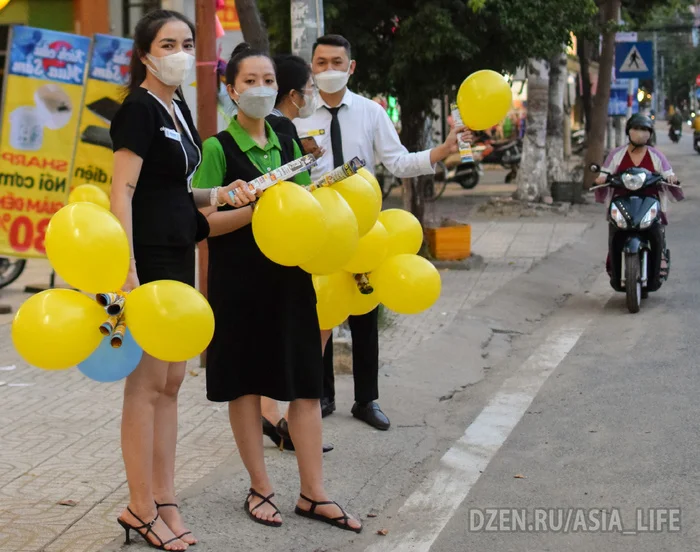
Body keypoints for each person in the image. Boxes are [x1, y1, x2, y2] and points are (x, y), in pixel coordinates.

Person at [193, 42, 362, 533]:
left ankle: (315, 493)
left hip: (291, 279)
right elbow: (202, 224)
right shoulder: (216, 149)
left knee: (306, 385)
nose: (261, 90)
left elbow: (300, 210)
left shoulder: (287, 142)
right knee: (245, 386)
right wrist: (254, 209)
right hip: (239, 284)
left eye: (268, 81)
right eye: (249, 81)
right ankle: (260, 487)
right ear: (231, 90)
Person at [110, 10, 254, 551]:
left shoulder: (180, 109)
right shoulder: (139, 111)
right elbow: (122, 191)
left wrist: (221, 194)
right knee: (146, 386)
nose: (177, 51)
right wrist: (125, 266)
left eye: (186, 42)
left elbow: (173, 191)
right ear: (145, 53)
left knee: (171, 383)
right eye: (167, 42)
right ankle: (139, 507)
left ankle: (165, 498)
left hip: (180, 253)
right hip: (147, 259)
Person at [294, 34, 469, 431]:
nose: (329, 70)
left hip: (364, 229)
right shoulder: (299, 118)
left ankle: (366, 399)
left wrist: (440, 152)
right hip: (318, 226)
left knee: (364, 315)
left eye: (337, 62)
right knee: (320, 308)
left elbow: (398, 161)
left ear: (351, 67)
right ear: (312, 67)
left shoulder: (370, 114)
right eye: (321, 63)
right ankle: (321, 395)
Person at [259, 52, 330, 453]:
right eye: (306, 89)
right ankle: (274, 415)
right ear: (292, 93)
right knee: (288, 338)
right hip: (285, 246)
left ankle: (273, 414)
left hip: (272, 242)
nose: (310, 96)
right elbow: (294, 191)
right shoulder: (281, 128)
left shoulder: (272, 128)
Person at [594, 113, 683, 284]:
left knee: (656, 232)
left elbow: (668, 173)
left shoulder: (656, 155)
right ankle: (614, 268)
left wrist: (671, 178)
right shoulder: (616, 155)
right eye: (636, 128)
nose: (640, 132)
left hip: (649, 202)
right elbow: (605, 172)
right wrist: (602, 178)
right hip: (622, 202)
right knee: (614, 233)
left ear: (650, 133)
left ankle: (658, 267)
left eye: (644, 129)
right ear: (629, 131)